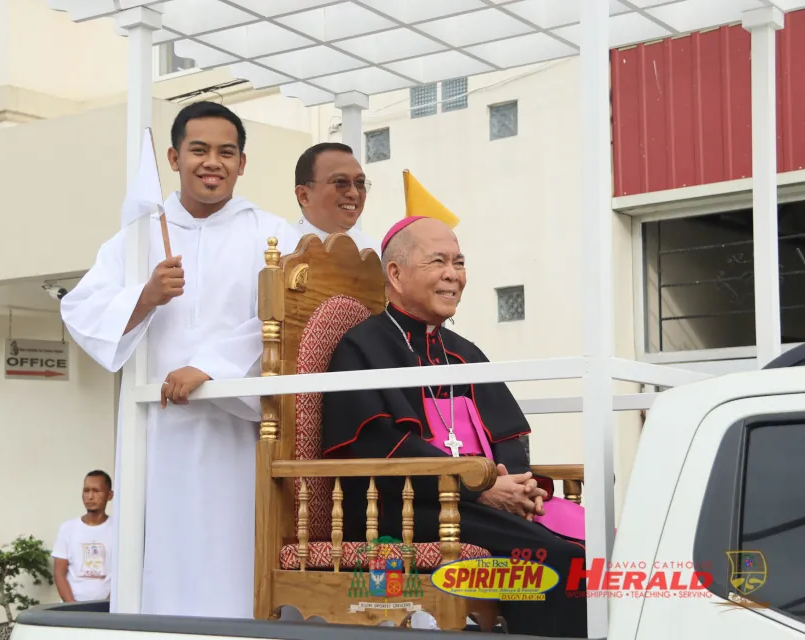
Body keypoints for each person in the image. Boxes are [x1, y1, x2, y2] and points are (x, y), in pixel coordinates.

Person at [60, 101, 300, 618]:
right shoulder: (140, 235)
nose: (212, 162)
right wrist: (145, 295)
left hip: (238, 436)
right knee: (159, 562)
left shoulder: (275, 234)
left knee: (236, 559)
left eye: (226, 152)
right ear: (174, 157)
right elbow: (79, 310)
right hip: (158, 435)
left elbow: (291, 319)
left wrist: (211, 367)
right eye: (199, 150)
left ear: (242, 163)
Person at [320, 216, 587, 638]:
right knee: (552, 558)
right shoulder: (362, 347)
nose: (453, 275)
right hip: (404, 511)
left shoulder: (463, 352)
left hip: (471, 503)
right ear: (396, 274)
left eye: (459, 263)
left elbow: (508, 437)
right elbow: (382, 447)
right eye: (439, 262)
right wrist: (479, 488)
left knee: (601, 542)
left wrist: (518, 487)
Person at [292, 142, 381, 253]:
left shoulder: (374, 252)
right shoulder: (282, 249)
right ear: (304, 196)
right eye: (340, 182)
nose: (354, 193)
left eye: (360, 182)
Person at [52, 470, 115, 603]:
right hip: (72, 610)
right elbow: (59, 574)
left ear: (109, 495)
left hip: (108, 610)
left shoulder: (118, 530)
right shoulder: (68, 528)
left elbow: (124, 574)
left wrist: (107, 607)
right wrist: (73, 608)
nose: (90, 497)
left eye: (96, 491)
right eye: (86, 491)